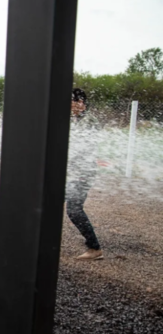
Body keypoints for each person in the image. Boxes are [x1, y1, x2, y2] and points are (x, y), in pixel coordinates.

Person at [67, 88, 103, 260]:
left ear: (80, 103)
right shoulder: (73, 120)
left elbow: (83, 147)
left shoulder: (89, 121)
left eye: (71, 101)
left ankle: (94, 248)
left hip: (82, 173)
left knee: (74, 209)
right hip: (70, 173)